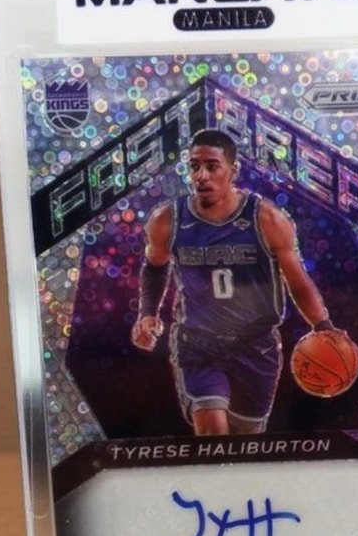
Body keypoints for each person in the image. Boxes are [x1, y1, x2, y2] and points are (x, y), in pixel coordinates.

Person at [131, 128, 341, 435]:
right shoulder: (167, 219)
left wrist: (323, 325)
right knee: (213, 434)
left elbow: (297, 281)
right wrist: (147, 314)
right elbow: (154, 267)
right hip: (197, 344)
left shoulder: (268, 219)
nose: (201, 176)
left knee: (246, 443)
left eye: (212, 166)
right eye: (194, 166)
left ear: (233, 171)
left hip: (256, 345)